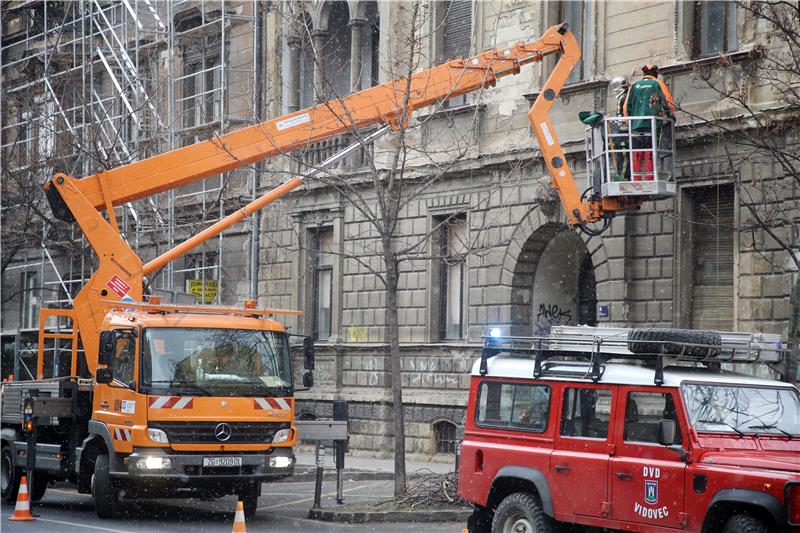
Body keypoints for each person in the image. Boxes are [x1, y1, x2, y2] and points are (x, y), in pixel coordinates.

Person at [623, 65, 675, 181]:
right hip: (652, 126)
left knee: (636, 153)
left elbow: (627, 107)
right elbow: (667, 102)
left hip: (636, 126)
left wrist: (630, 123)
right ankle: (649, 178)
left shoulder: (635, 86)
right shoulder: (657, 84)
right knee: (649, 152)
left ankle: (635, 179)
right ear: (655, 74)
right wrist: (670, 114)